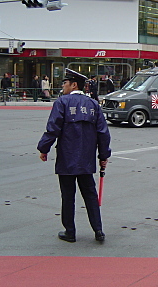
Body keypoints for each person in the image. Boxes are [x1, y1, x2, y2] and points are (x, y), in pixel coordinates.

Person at [37, 68, 111, 243]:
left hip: (67, 158)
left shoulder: (62, 102)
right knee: (90, 195)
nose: (63, 86)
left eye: (65, 83)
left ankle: (70, 231)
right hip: (86, 160)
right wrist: (103, 155)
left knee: (68, 196)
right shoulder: (93, 105)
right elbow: (103, 133)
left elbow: (53, 128)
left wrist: (44, 148)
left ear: (74, 84)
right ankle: (98, 230)